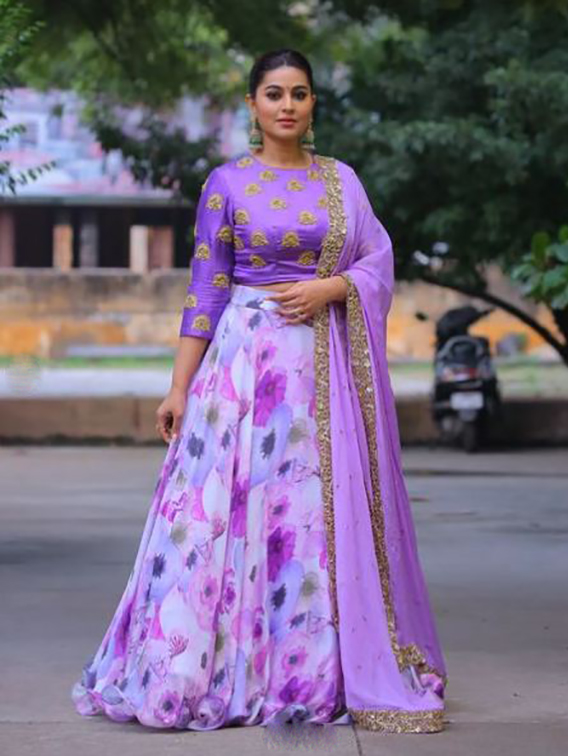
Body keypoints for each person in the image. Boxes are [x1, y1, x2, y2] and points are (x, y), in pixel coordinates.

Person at [71, 48, 448, 734]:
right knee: (213, 518)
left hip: (319, 375)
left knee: (306, 519)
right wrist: (178, 387)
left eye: (299, 93)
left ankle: (306, 670)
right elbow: (205, 290)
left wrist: (332, 287)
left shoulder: (341, 181)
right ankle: (196, 669)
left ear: (312, 104)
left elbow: (378, 259)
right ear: (252, 104)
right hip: (239, 371)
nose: (287, 105)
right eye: (274, 93)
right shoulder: (226, 184)